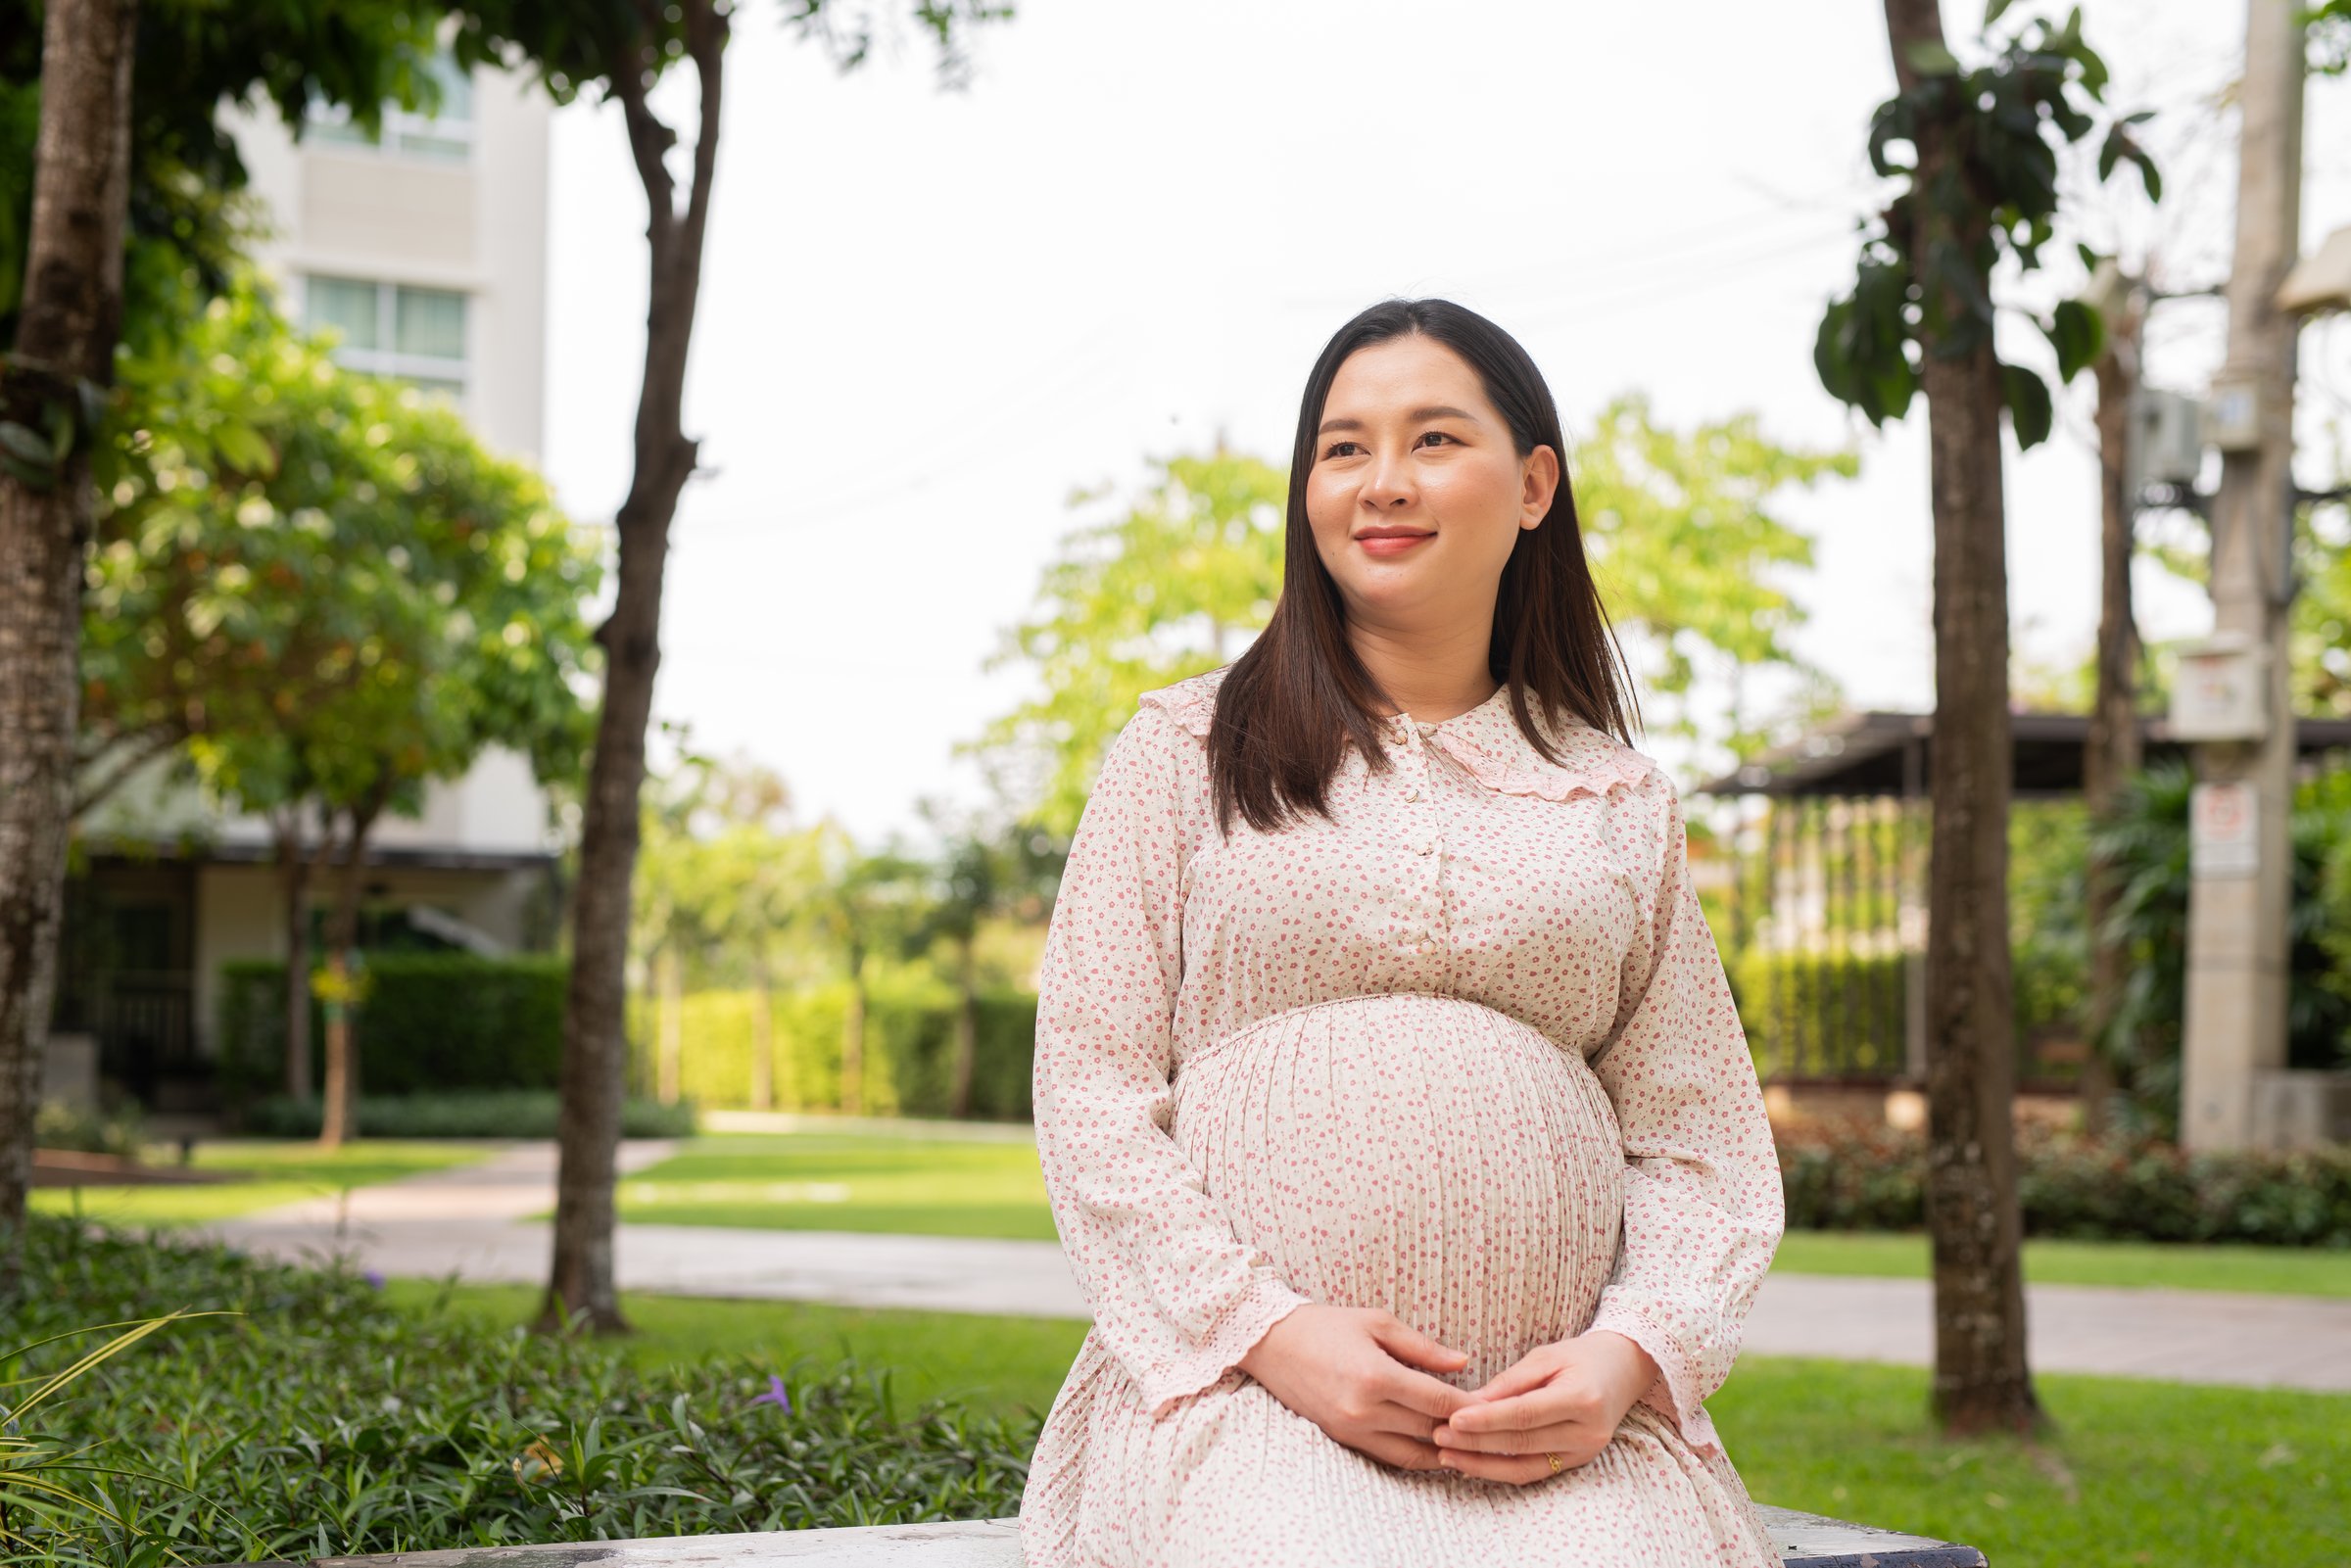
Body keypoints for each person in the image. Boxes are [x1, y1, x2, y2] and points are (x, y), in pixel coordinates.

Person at [1017, 298, 1785, 1568]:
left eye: (1433, 440)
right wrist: (1266, 1329)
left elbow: (1704, 1141)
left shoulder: (1617, 801)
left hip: (1564, 1441)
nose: (1383, 481)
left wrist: (1624, 1355)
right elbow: (1091, 1089)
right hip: (1243, 1401)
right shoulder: (1184, 751)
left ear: (1534, 484)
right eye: (1343, 447)